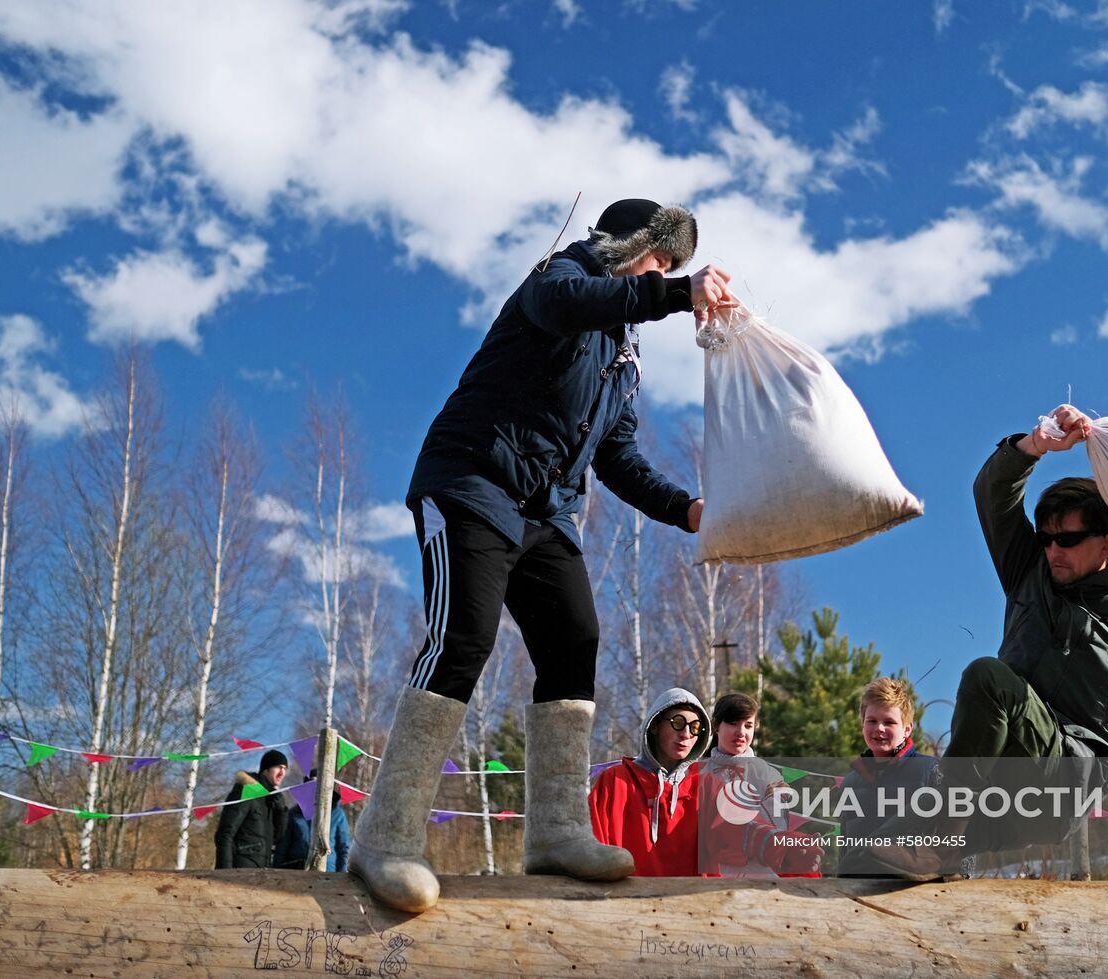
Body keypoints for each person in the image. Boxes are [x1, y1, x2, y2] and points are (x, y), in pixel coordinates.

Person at [349, 199, 735, 912]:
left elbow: (616, 454)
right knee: (464, 636)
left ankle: (556, 833)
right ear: (627, 247)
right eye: (658, 262)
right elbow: (569, 302)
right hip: (470, 481)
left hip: (545, 510)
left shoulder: (622, 352)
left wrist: (687, 509)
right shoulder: (564, 275)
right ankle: (386, 836)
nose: (661, 276)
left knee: (574, 637)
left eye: (672, 271)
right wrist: (678, 295)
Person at [904, 404, 1108, 892]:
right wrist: (1035, 446)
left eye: (1067, 540)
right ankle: (944, 852)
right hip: (1002, 789)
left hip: (1065, 780)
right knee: (875, 841)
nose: (1052, 551)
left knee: (989, 677)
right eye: (1046, 539)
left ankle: (943, 839)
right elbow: (991, 495)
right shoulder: (1029, 573)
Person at [589, 687, 821, 877]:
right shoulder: (616, 781)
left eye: (695, 727)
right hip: (625, 906)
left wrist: (781, 844)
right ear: (656, 724)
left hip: (692, 908)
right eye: (678, 722)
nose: (686, 734)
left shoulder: (705, 785)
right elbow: (593, 843)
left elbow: (734, 828)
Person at [838, 677, 947, 878]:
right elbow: (844, 846)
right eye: (872, 721)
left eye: (889, 722)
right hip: (855, 896)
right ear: (863, 724)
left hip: (913, 897)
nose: (879, 728)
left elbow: (959, 838)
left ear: (907, 729)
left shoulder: (932, 771)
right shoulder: (849, 784)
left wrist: (961, 883)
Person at [705, 692, 790, 878]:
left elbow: (778, 829)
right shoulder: (697, 773)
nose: (741, 732)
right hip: (710, 878)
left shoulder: (769, 775)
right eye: (733, 723)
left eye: (748, 725)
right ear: (716, 725)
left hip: (761, 879)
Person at [214, 749, 289, 869]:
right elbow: (225, 833)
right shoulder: (247, 791)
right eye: (279, 767)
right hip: (240, 869)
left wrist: (281, 811)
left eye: (285, 769)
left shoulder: (271, 799)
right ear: (266, 769)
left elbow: (276, 838)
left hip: (262, 870)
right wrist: (225, 872)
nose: (282, 773)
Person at [274, 770, 352, 871]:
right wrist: (276, 872)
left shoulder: (337, 815)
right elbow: (282, 847)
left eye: (319, 784)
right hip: (297, 872)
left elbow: (344, 848)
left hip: (328, 874)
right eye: (311, 784)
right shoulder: (293, 814)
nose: (315, 788)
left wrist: (342, 876)